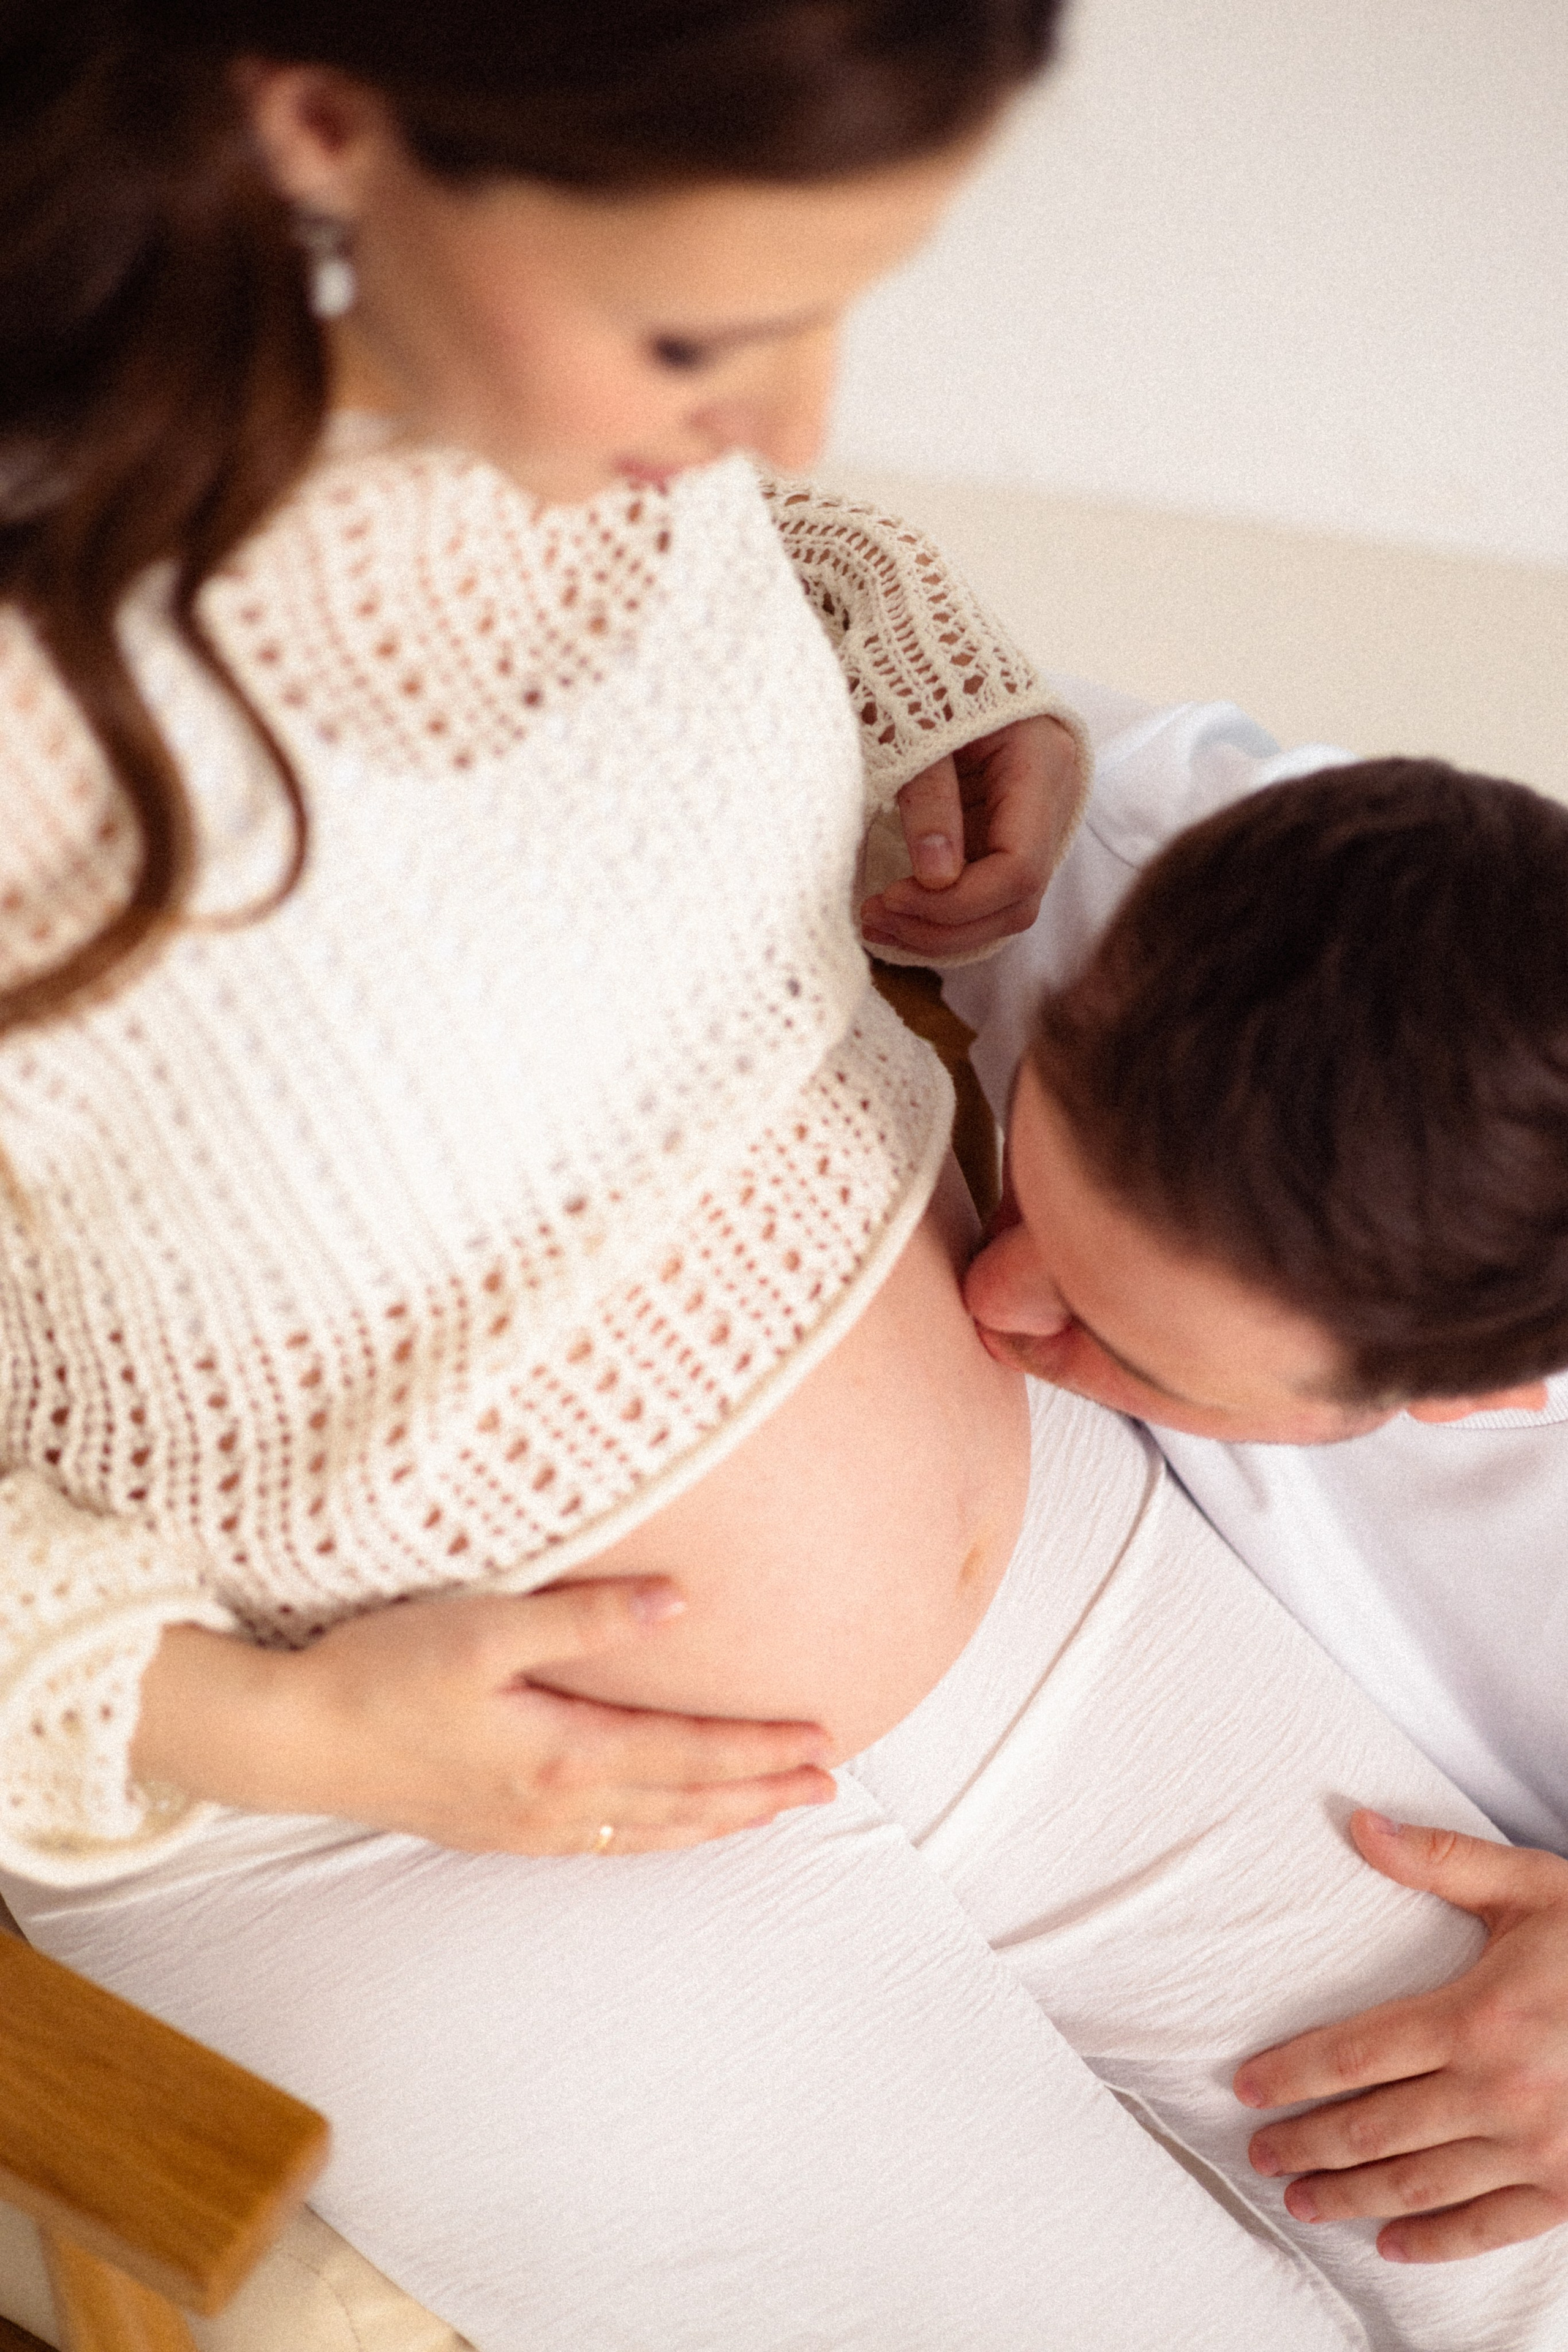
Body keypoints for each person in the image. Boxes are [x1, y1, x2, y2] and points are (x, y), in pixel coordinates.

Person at [4, 6, 1567, 2347]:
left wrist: (929, 676)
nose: (799, 413)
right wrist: (297, 1733)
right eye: (711, 331)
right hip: (416, 1815)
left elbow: (783, 546)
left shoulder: (591, 424)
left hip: (1041, 1572)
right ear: (320, 136)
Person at [954, 729, 1568, 2267]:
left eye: (1116, 1340)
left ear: (1468, 1397)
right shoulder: (1133, 835)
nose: (991, 1297)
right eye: (1033, 1185)